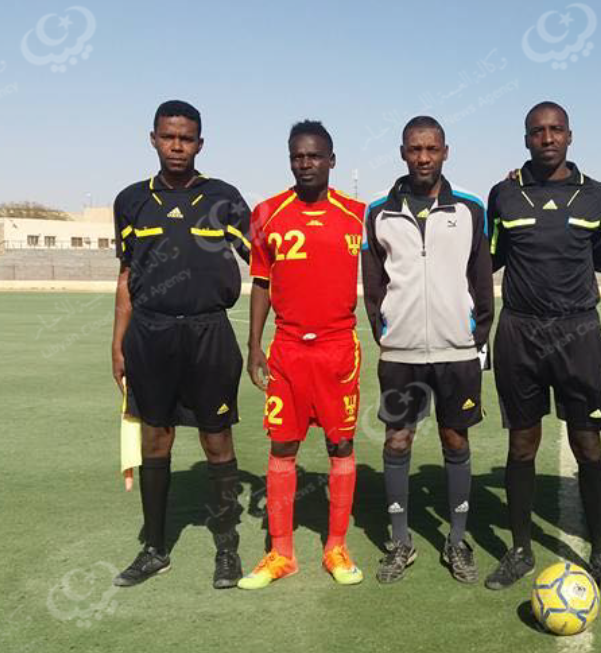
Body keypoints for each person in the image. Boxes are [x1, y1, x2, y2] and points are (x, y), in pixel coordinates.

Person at [482, 101, 601, 597]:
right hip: (520, 334)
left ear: (570, 135)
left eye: (555, 130)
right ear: (526, 139)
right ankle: (520, 548)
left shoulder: (596, 197)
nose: (547, 138)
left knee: (588, 444)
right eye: (537, 131)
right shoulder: (503, 195)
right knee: (522, 443)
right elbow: (487, 261)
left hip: (579, 334)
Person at [110, 100, 251, 589]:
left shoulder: (224, 198)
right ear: (152, 138)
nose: (177, 146)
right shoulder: (131, 200)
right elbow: (127, 275)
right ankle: (154, 548)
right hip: (150, 333)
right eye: (169, 137)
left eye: (186, 138)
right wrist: (118, 342)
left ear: (200, 144)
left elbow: (265, 260)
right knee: (156, 437)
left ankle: (227, 551)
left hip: (209, 332)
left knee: (217, 439)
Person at [361, 116, 493, 584]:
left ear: (445, 152)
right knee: (398, 440)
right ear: (402, 152)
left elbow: (481, 280)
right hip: (401, 355)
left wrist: (475, 333)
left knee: (455, 438)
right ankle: (401, 542)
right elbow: (373, 286)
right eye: (414, 149)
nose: (422, 158)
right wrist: (388, 332)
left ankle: (456, 541)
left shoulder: (471, 209)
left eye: (431, 149)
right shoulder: (378, 212)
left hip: (457, 352)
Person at [239, 120, 367, 590]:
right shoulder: (267, 213)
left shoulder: (358, 214)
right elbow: (260, 283)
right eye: (297, 156)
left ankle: (335, 546)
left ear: (332, 160)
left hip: (339, 350)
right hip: (288, 349)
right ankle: (281, 552)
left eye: (314, 156)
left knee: (341, 446)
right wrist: (254, 345)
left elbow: (380, 278)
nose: (305, 164)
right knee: (282, 447)